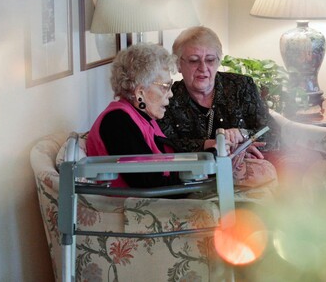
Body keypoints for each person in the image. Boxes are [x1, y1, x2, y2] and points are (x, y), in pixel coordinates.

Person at [158, 26, 279, 186]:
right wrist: (213, 145)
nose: (203, 68)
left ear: (218, 61)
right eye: (194, 60)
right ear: (178, 65)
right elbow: (164, 144)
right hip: (193, 178)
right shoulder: (168, 97)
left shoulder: (241, 86)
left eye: (210, 60)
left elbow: (274, 134)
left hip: (248, 170)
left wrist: (243, 136)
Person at [86, 43, 180, 188]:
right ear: (140, 92)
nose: (171, 94)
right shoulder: (117, 122)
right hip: (134, 207)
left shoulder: (144, 118)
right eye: (165, 87)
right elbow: (148, 182)